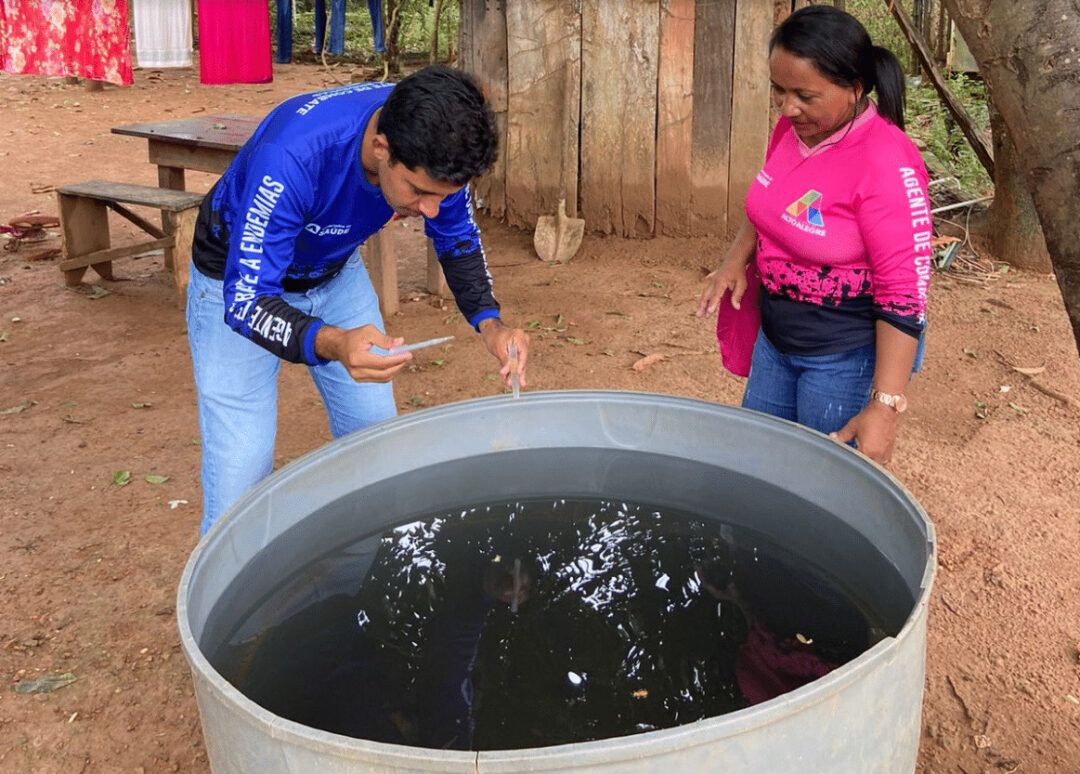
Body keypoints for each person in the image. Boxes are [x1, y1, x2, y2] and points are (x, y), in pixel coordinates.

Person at [187, 65, 530, 535]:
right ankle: (214, 606)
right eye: (420, 193)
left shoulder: (436, 139)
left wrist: (492, 326)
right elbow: (247, 301)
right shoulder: (291, 157)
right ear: (380, 148)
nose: (429, 211)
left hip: (333, 269)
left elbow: (457, 238)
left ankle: (364, 575)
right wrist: (334, 342)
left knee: (375, 439)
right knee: (240, 473)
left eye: (442, 196)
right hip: (234, 279)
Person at [697, 6, 929, 464]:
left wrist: (885, 405)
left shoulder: (886, 162)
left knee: (822, 478)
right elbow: (770, 202)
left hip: (842, 354)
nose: (787, 108)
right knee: (760, 463)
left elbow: (905, 294)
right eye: (778, 91)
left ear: (855, 88)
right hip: (777, 339)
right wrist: (734, 261)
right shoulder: (791, 129)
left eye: (804, 94)